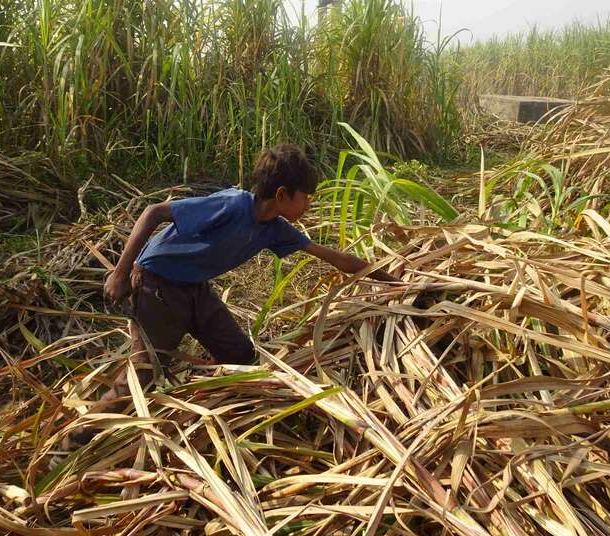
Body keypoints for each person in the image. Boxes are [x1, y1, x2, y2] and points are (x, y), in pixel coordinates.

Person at [89, 144, 395, 420]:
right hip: (159, 285)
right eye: (305, 198)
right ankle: (76, 441)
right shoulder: (232, 205)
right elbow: (153, 212)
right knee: (142, 373)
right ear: (281, 195)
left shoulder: (275, 229)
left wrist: (394, 282)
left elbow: (336, 258)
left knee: (242, 358)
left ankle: (206, 401)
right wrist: (120, 272)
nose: (308, 206)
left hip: (196, 288)